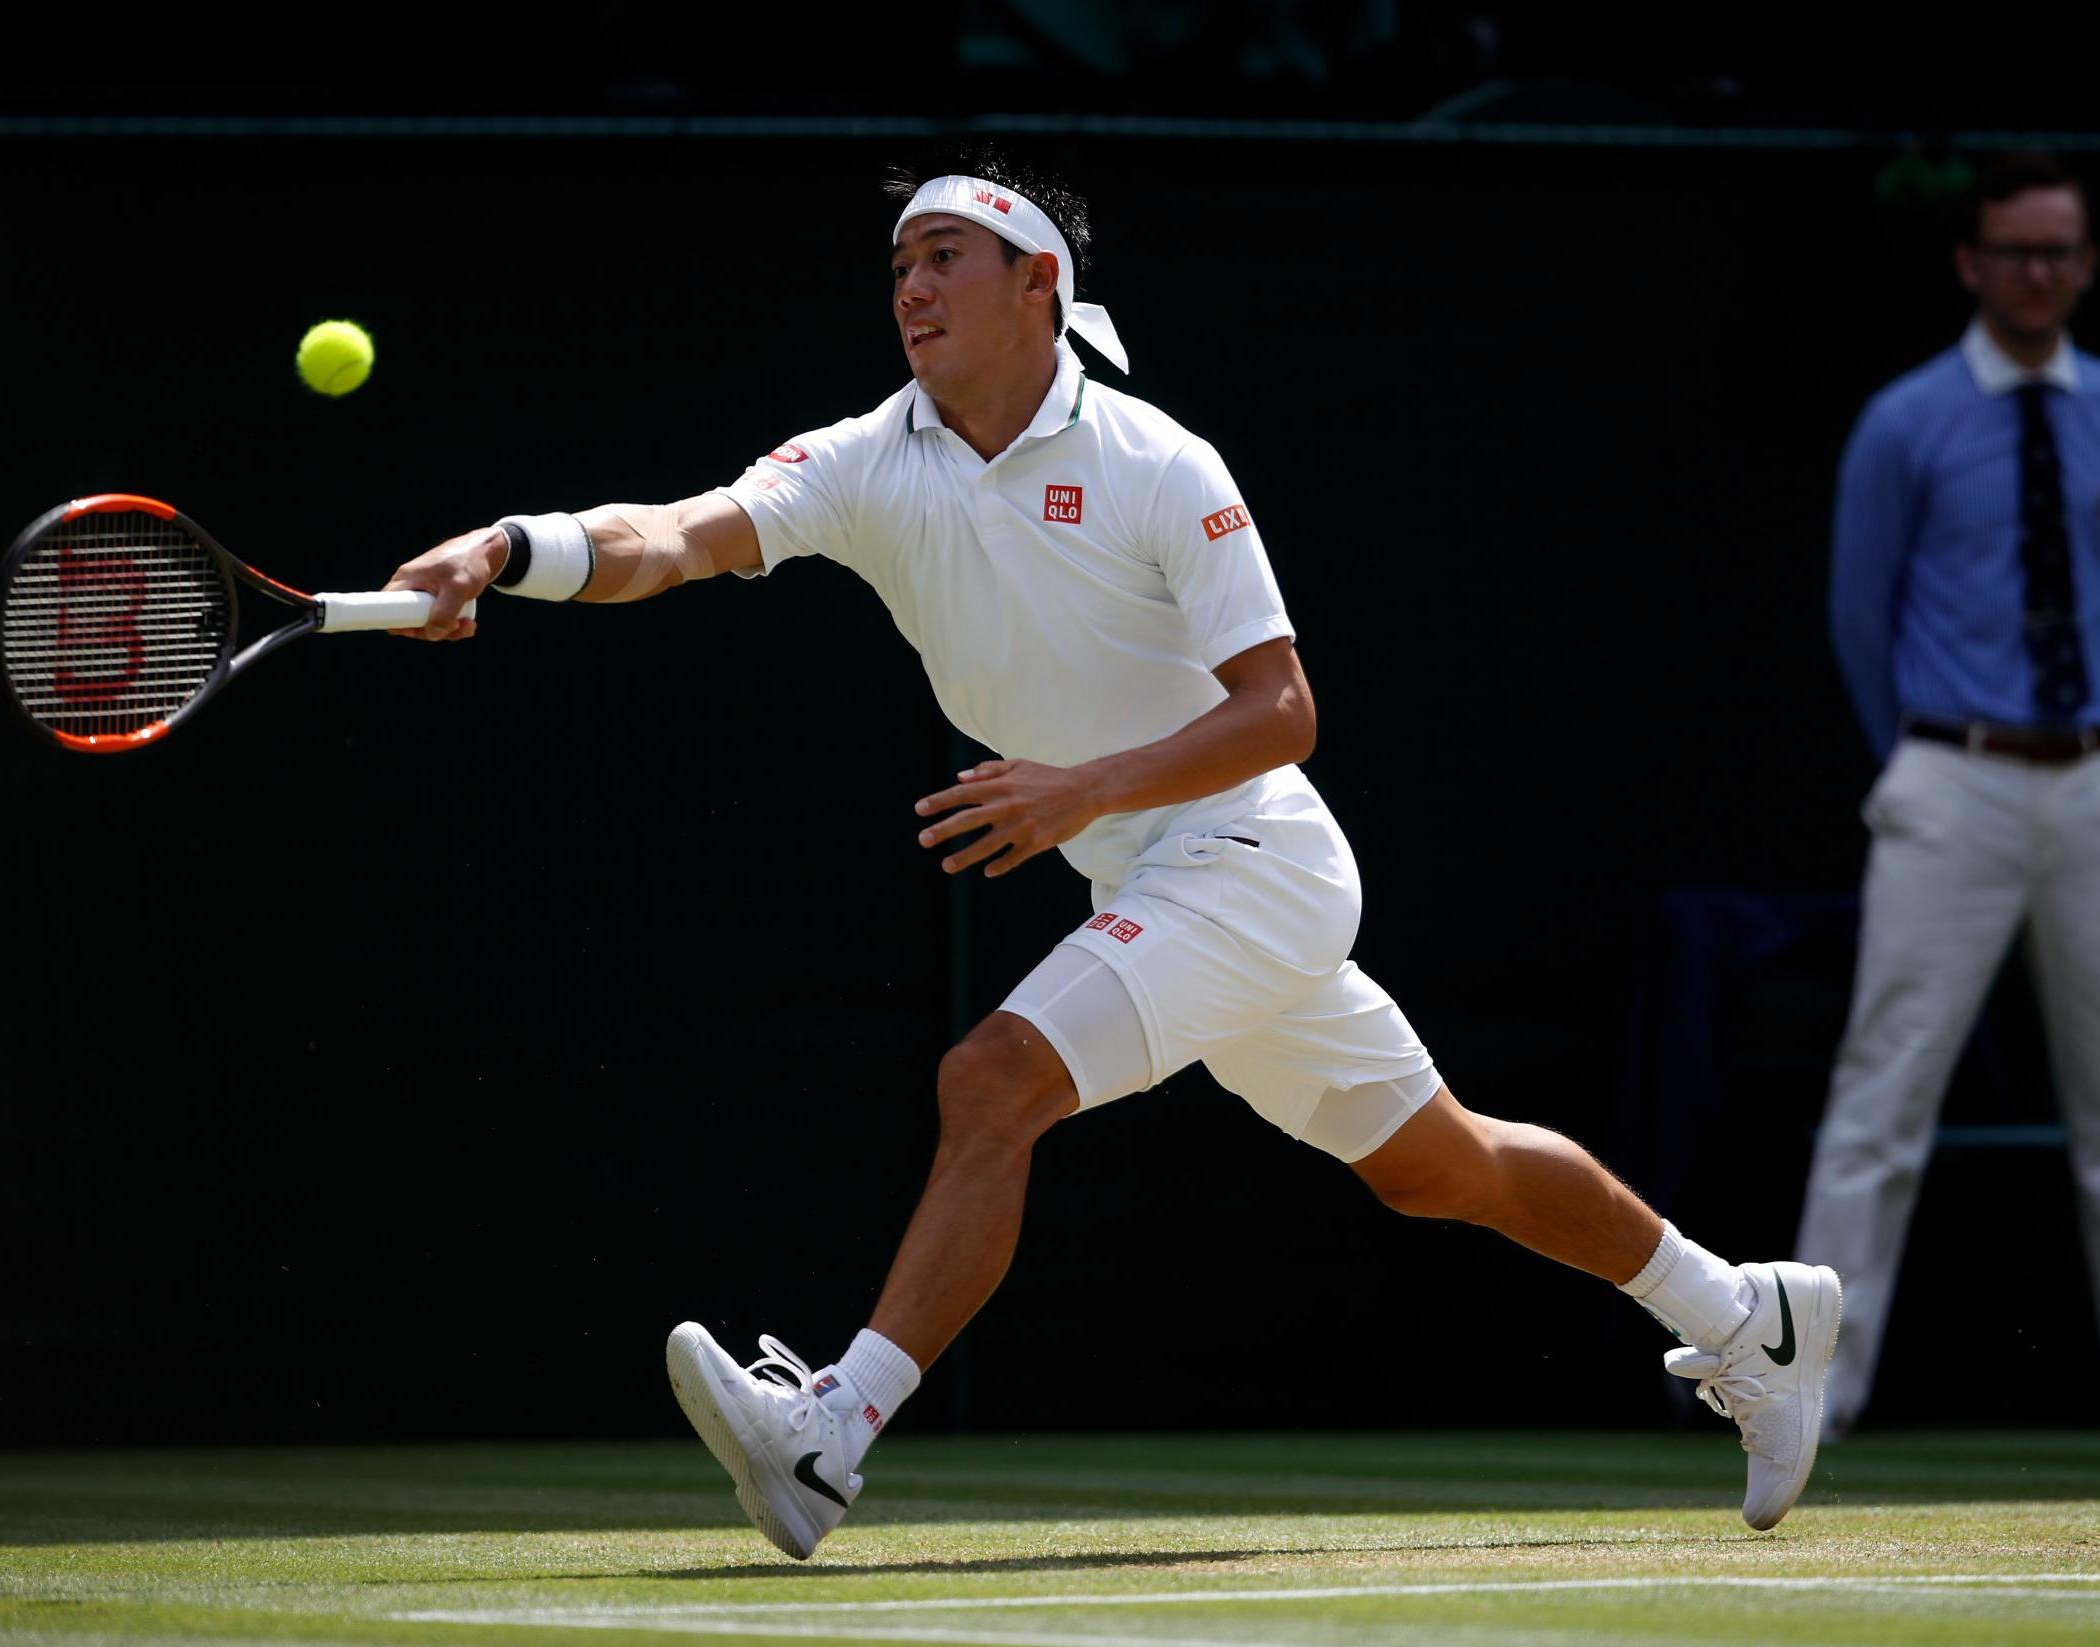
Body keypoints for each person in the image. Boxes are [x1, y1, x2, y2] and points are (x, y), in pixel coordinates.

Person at [384, 152, 1839, 1556]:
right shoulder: (861, 460)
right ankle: (1744, 1313)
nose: (911, 285)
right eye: (898, 264)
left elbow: (1284, 710)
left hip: (1254, 856)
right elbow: (676, 536)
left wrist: (1082, 787)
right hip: (1150, 873)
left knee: (992, 1078)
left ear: (1039, 284)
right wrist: (509, 546)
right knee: (1440, 1165)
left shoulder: (1159, 461)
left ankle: (829, 1431)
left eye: (943, 256)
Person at [1798, 150, 2100, 1437]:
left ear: (2084, 265)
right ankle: (1810, 1390)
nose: (2038, 273)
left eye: (2059, 251)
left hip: (2090, 774)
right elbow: (1859, 617)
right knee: (1884, 1093)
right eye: (2014, 251)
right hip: (1952, 772)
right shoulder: (1907, 421)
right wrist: (1917, 762)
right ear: (1971, 263)